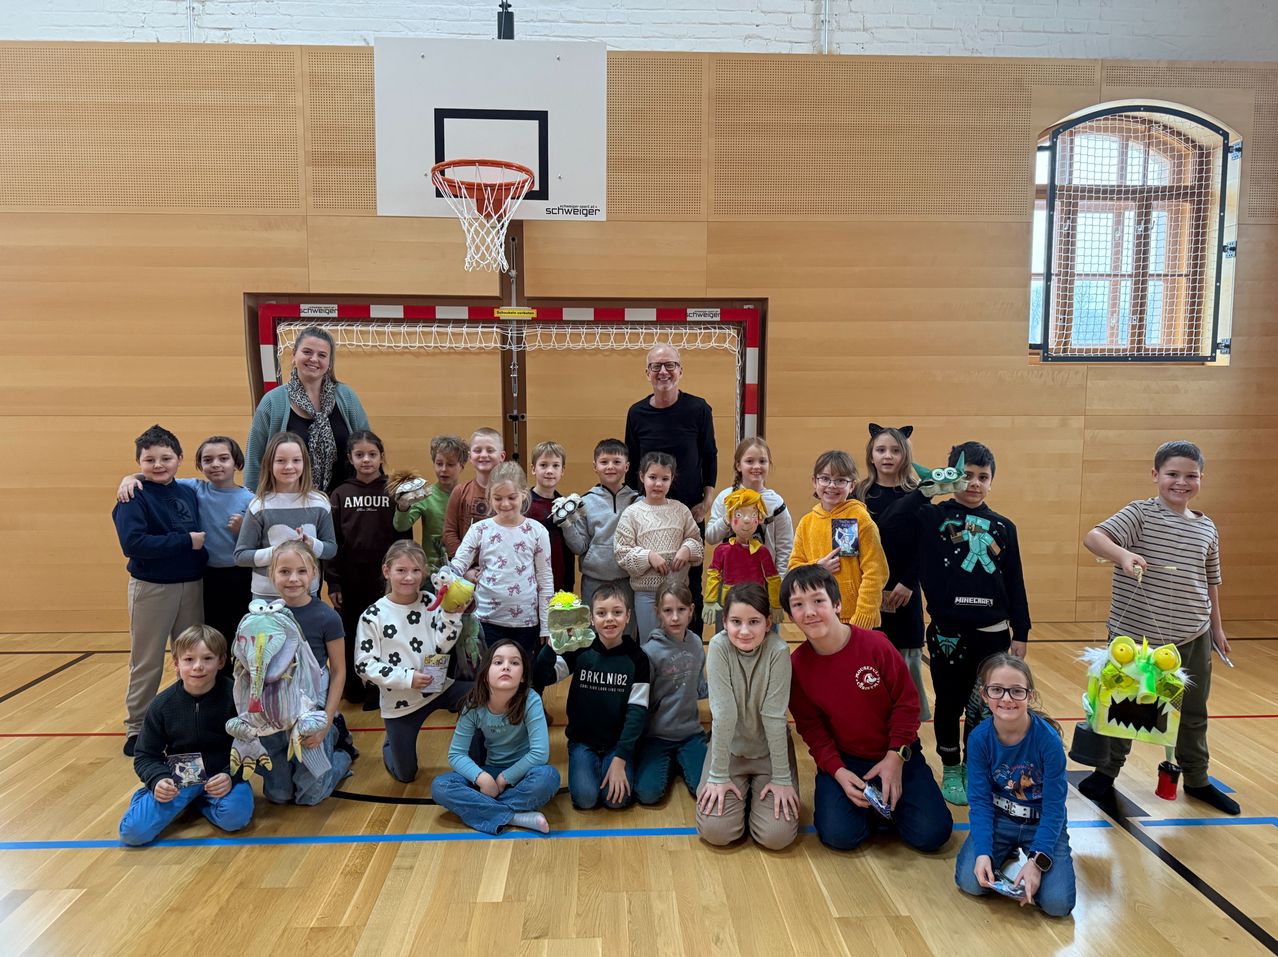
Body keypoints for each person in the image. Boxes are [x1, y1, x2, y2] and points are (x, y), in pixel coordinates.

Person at [1077, 440, 1239, 815]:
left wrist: (1216, 629)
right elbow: (1094, 538)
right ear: (1155, 475)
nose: (1181, 482)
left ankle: (1197, 779)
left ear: (1200, 478)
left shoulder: (1207, 528)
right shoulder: (1140, 514)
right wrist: (1123, 554)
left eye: (1190, 476)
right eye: (1172, 474)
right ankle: (1106, 772)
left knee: (1192, 712)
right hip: (1135, 639)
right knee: (1126, 705)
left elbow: (1210, 581)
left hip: (1192, 635)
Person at [784, 565, 952, 854]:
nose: (809, 612)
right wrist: (836, 771)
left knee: (932, 834)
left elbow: (907, 704)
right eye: (798, 605)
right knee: (839, 836)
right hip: (847, 760)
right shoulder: (797, 667)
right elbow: (812, 729)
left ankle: (886, 801)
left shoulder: (876, 646)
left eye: (818, 601)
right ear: (790, 616)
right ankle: (873, 805)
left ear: (837, 604)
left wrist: (895, 757)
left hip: (897, 753)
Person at [914, 441, 1030, 807]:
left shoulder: (1003, 527)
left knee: (985, 706)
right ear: (952, 475)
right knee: (949, 702)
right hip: (949, 632)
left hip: (993, 634)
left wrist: (1021, 631)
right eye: (966, 475)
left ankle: (975, 766)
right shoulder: (933, 517)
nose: (974, 483)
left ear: (992, 481)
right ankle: (951, 765)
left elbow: (1014, 581)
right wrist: (928, 488)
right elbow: (902, 521)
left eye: (983, 477)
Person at [116, 434, 251, 680]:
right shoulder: (194, 488)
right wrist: (130, 478)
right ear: (199, 464)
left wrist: (243, 531)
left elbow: (258, 542)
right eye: (208, 460)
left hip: (239, 578)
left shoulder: (249, 499)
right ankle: (204, 698)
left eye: (223, 458)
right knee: (209, 643)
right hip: (206, 579)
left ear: (237, 463)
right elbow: (158, 475)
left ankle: (235, 700)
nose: (216, 465)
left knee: (237, 641)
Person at [112, 424, 207, 757]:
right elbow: (133, 543)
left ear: (179, 459)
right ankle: (138, 726)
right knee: (147, 660)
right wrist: (186, 541)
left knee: (192, 658)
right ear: (138, 461)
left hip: (192, 585)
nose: (158, 465)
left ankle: (188, 722)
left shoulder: (187, 491)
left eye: (166, 457)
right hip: (152, 589)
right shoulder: (132, 495)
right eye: (149, 459)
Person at [956, 654, 1075, 917]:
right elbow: (981, 802)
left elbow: (1055, 809)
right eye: (997, 690)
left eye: (1016, 691)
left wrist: (1037, 861)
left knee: (1057, 905)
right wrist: (984, 852)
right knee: (971, 882)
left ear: (1030, 696)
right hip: (1000, 821)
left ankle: (1026, 853)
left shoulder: (1048, 742)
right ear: (984, 695)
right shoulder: (979, 739)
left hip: (1040, 823)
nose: (1007, 698)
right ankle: (1003, 849)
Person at [118, 625, 253, 845]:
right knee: (133, 833)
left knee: (234, 819)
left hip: (222, 774)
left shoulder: (237, 699)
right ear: (176, 664)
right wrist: (158, 779)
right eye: (189, 660)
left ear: (220, 661)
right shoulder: (162, 705)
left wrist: (231, 776)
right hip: (182, 776)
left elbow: (252, 748)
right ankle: (155, 797)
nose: (198, 667)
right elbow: (145, 755)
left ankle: (197, 800)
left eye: (207, 658)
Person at [357, 540, 471, 783]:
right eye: (401, 570)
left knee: (481, 696)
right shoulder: (373, 615)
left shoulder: (430, 600)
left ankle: (475, 755)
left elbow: (442, 644)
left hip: (438, 687)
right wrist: (407, 678)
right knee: (405, 775)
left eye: (416, 571)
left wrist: (452, 616)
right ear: (386, 571)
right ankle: (392, 742)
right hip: (401, 703)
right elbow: (364, 665)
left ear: (424, 573)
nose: (409, 577)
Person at [696, 583, 799, 850]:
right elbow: (724, 713)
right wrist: (718, 775)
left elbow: (775, 717)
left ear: (768, 623)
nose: (744, 631)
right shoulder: (718, 647)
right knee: (716, 831)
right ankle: (741, 794)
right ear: (724, 622)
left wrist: (781, 778)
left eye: (753, 622)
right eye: (736, 621)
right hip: (730, 753)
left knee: (777, 837)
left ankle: (755, 795)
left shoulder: (778, 651)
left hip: (768, 753)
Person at [624, 343, 717, 631]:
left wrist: (707, 500)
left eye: (670, 365)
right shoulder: (637, 413)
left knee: (690, 586)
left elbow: (709, 454)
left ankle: (690, 652)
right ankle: (652, 657)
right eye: (656, 366)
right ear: (647, 373)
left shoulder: (698, 408)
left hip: (689, 513)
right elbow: (631, 461)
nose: (663, 371)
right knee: (651, 585)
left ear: (680, 370)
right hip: (650, 517)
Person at [255, 541, 355, 805]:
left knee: (309, 797)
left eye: (301, 571)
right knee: (278, 795)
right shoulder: (263, 617)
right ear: (272, 575)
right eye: (284, 571)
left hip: (313, 707)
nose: (293, 579)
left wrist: (325, 722)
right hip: (277, 710)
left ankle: (340, 746)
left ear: (314, 574)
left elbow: (338, 673)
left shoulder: (327, 617)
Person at [536, 582, 650, 810]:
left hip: (617, 745)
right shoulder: (580, 650)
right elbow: (542, 677)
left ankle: (617, 765)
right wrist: (551, 646)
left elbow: (637, 712)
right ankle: (589, 767)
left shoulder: (637, 658)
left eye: (617, 612)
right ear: (591, 618)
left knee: (615, 801)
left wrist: (621, 757)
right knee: (585, 800)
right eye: (601, 613)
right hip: (582, 742)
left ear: (628, 616)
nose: (609, 619)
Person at [430, 639, 560, 834]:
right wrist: (482, 778)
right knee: (440, 786)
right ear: (485, 675)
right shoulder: (473, 705)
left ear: (523, 676)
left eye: (514, 663)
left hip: (524, 774)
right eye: (498, 662)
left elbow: (539, 754)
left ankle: (487, 810)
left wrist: (503, 779)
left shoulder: (531, 700)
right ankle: (515, 816)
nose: (506, 666)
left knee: (549, 777)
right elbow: (456, 755)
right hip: (490, 771)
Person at [327, 430, 410, 703]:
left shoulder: (393, 492)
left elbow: (403, 537)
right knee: (352, 631)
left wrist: (401, 574)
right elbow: (332, 542)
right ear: (350, 458)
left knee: (386, 632)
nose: (366, 460)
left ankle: (382, 687)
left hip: (384, 578)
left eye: (372, 454)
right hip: (351, 578)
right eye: (360, 455)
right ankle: (353, 686)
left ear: (381, 457)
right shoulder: (340, 494)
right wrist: (334, 581)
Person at [857, 424, 930, 720]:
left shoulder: (919, 494)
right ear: (871, 456)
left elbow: (925, 545)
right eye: (881, 450)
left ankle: (907, 722)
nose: (888, 456)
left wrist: (909, 583)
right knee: (869, 651)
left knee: (905, 654)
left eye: (895, 450)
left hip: (904, 591)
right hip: (868, 589)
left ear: (905, 455)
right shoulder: (860, 492)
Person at [244, 326, 370, 494]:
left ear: (329, 362)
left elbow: (369, 448)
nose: (314, 359)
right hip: (289, 505)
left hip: (345, 506)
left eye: (322, 355)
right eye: (307, 352)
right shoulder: (272, 402)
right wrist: (252, 504)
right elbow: (255, 460)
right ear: (294, 355)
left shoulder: (347, 397)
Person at [449, 461, 553, 663]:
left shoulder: (537, 531)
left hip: (526, 622)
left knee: (521, 677)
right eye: (498, 498)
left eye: (511, 497)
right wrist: (448, 577)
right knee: (489, 676)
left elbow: (545, 578)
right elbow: (458, 564)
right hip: (487, 619)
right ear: (489, 496)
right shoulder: (480, 529)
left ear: (524, 493)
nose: (505, 504)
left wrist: (546, 623)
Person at [788, 450, 888, 630]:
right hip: (816, 617)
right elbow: (794, 569)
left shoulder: (861, 519)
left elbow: (876, 571)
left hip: (853, 619)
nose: (832, 486)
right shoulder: (806, 523)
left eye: (841, 480)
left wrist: (863, 616)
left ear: (852, 486)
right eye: (825, 478)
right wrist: (817, 567)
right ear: (814, 481)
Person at [234, 432, 337, 601]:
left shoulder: (319, 503)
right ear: (269, 464)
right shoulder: (259, 505)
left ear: (305, 463)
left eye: (296, 460)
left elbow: (331, 549)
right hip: (266, 596)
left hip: (306, 594)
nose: (289, 466)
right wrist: (278, 552)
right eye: (281, 461)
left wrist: (311, 544)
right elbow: (241, 556)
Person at [613, 452, 704, 641]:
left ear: (672, 480)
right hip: (646, 595)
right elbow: (621, 552)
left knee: (677, 644)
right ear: (641, 477)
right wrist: (648, 556)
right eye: (652, 477)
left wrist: (687, 549)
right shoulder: (632, 514)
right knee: (650, 645)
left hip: (678, 593)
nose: (658, 484)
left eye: (665, 479)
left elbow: (698, 544)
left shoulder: (680, 510)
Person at [634, 579, 708, 806]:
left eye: (681, 610)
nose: (675, 617)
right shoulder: (649, 651)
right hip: (658, 736)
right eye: (668, 611)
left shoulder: (696, 644)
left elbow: (699, 688)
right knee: (648, 795)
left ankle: (685, 757)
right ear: (658, 613)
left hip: (690, 734)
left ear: (691, 611)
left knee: (705, 791)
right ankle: (669, 760)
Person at [559, 438, 640, 634]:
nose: (610, 467)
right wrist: (565, 523)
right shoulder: (584, 502)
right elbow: (579, 547)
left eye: (616, 462)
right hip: (593, 582)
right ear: (595, 466)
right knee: (594, 636)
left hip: (627, 582)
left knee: (625, 636)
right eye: (604, 462)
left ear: (627, 466)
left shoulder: (638, 501)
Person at [705, 436, 793, 577]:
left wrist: (780, 583)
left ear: (769, 464)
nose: (757, 466)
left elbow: (785, 547)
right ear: (738, 465)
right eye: (750, 461)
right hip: (730, 579)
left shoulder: (776, 503)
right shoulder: (725, 498)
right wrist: (727, 519)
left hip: (763, 581)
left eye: (762, 461)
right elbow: (710, 537)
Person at [393, 434, 468, 575]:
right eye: (439, 464)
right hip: (433, 571)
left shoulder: (468, 494)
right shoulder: (425, 495)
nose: (444, 469)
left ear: (462, 466)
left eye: (450, 464)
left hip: (464, 570)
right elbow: (401, 526)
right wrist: (403, 506)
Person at [703, 487, 782, 620]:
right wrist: (710, 601)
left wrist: (775, 604)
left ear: (760, 518)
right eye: (739, 515)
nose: (747, 520)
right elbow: (713, 575)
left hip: (757, 601)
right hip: (729, 603)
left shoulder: (762, 551)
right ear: (729, 517)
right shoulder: (722, 550)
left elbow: (773, 578)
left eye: (753, 515)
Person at [443, 427, 505, 554]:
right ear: (470, 457)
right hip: (465, 569)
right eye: (477, 450)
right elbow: (449, 533)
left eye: (490, 450)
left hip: (501, 568)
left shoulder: (511, 496)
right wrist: (466, 567)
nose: (483, 455)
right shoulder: (460, 492)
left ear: (502, 456)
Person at [525, 440, 576, 592]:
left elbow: (569, 545)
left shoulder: (567, 505)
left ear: (562, 470)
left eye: (555, 465)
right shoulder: (523, 504)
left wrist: (569, 582)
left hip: (560, 578)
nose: (549, 471)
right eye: (543, 465)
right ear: (533, 469)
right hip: (530, 580)